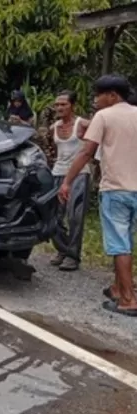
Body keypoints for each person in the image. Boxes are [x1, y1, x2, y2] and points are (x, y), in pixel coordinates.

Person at [58, 74, 137, 317]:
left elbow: (86, 152)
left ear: (112, 95)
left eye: (99, 95)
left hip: (116, 189)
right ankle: (117, 287)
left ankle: (128, 300)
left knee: (119, 245)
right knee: (127, 241)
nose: (95, 100)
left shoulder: (104, 116)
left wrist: (67, 181)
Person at [49, 90, 91, 271]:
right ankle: (63, 249)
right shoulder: (54, 127)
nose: (59, 108)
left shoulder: (82, 124)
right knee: (53, 215)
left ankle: (73, 256)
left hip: (79, 173)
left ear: (72, 105)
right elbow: (54, 151)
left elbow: (96, 140)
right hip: (58, 172)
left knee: (75, 216)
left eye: (63, 104)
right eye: (57, 104)